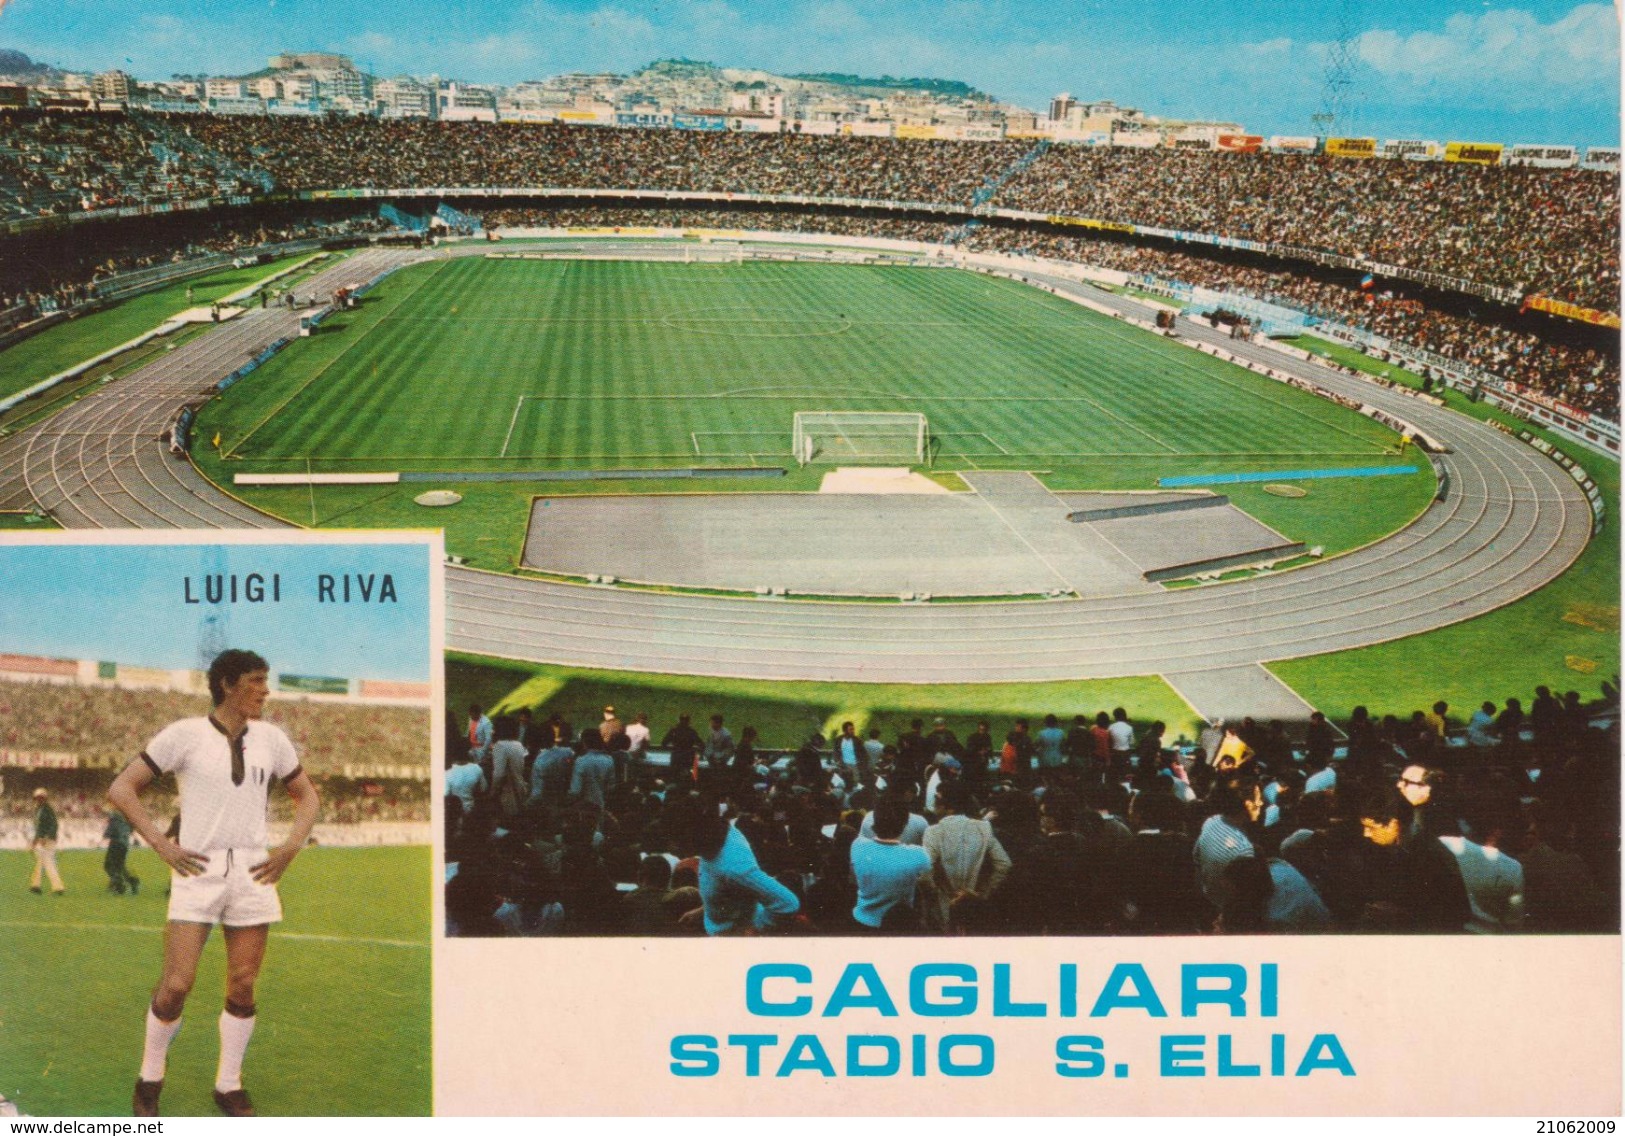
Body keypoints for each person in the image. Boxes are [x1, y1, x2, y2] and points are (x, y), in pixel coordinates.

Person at [107, 649, 320, 1118]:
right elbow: (122, 788)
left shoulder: (272, 739)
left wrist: (289, 847)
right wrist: (164, 846)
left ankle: (228, 1085)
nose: (266, 690)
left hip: (253, 871)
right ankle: (150, 1078)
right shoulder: (184, 734)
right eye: (257, 681)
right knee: (176, 985)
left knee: (243, 983)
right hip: (197, 871)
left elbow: (307, 796)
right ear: (226, 684)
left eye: (267, 680)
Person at [850, 799, 932, 932]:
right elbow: (927, 886)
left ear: (874, 821)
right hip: (901, 925)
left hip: (863, 921)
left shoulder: (857, 846)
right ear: (905, 823)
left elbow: (855, 879)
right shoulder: (918, 855)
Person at [29, 788, 65, 896]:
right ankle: (35, 885)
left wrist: (46, 837)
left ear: (45, 798)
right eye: (37, 798)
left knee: (48, 862)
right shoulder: (38, 810)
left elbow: (54, 825)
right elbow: (38, 828)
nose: (39, 800)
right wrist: (35, 841)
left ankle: (58, 887)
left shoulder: (48, 810)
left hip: (47, 840)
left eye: (41, 798)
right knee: (40, 862)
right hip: (41, 839)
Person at [104, 807, 140, 895]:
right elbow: (131, 829)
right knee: (120, 866)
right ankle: (132, 881)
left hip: (115, 843)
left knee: (108, 865)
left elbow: (110, 831)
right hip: (124, 845)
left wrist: (104, 836)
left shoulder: (114, 817)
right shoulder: (127, 817)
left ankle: (118, 885)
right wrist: (135, 839)